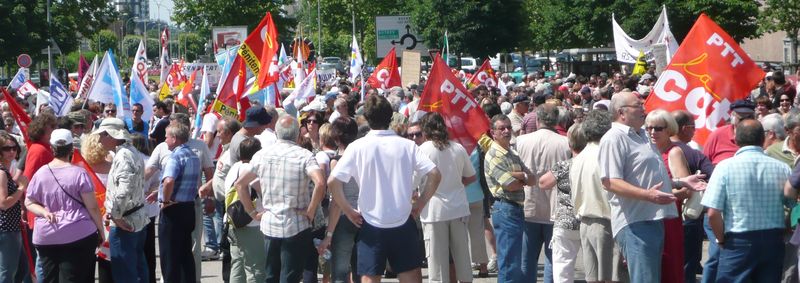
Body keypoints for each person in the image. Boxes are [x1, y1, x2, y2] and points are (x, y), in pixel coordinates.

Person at [327, 95, 442, 283]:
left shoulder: (357, 146)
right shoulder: (407, 146)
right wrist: (420, 204)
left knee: (370, 277)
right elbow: (435, 174)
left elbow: (333, 181)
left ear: (367, 118)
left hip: (370, 222)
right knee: (410, 275)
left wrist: (348, 211)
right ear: (390, 117)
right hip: (402, 220)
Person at [598, 91, 703, 282]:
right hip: (635, 222)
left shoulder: (642, 136)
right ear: (622, 113)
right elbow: (610, 181)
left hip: (653, 218)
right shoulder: (614, 138)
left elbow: (646, 177)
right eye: (638, 106)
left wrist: (681, 182)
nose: (643, 110)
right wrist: (648, 195)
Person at [233, 115, 326, 283]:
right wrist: (311, 211)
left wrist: (253, 212)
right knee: (290, 275)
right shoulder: (304, 155)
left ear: (276, 133)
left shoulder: (262, 155)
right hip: (296, 223)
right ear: (298, 134)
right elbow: (320, 182)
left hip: (270, 224)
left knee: (271, 275)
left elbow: (240, 184)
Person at [705, 120, 790, 282]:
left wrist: (721, 240)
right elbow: (792, 204)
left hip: (738, 240)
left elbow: (712, 213)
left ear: (736, 139)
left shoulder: (724, 167)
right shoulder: (782, 167)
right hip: (773, 239)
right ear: (762, 138)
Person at [25, 129, 104, 283]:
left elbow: (29, 201)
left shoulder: (41, 173)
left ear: (52, 148)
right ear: (71, 149)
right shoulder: (79, 173)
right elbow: (92, 207)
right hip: (78, 233)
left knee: (50, 278)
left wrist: (44, 212)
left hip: (47, 235)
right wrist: (101, 230)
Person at [416, 112, 476, 283]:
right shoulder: (458, 148)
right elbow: (471, 177)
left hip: (433, 211)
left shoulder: (422, 150)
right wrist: (456, 184)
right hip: (458, 208)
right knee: (463, 258)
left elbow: (413, 182)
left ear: (425, 130)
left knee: (437, 262)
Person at [516, 104, 571, 283]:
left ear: (538, 120)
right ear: (557, 121)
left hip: (528, 205)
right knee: (553, 260)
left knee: (527, 260)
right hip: (554, 208)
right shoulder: (565, 143)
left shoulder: (522, 141)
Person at [570, 110, 623, 283]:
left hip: (586, 222)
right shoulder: (606, 154)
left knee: (593, 278)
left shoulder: (579, 158)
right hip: (608, 223)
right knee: (613, 278)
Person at [484, 114, 536, 282]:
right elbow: (510, 184)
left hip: (514, 209)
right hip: (505, 208)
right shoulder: (494, 154)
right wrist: (522, 177)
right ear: (493, 133)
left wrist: (517, 175)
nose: (507, 131)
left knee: (514, 260)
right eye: (502, 128)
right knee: (509, 263)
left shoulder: (511, 153)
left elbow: (532, 178)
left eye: (508, 127)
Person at [97, 118, 150, 283]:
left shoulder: (123, 155)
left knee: (125, 272)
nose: (99, 140)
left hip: (126, 220)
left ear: (111, 135)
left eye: (102, 135)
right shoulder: (129, 151)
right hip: (135, 218)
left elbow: (124, 190)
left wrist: (116, 215)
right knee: (137, 268)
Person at [645, 110, 691, 283]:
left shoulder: (674, 152)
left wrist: (661, 195)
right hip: (648, 215)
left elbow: (686, 189)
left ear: (668, 129)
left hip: (668, 218)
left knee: (669, 266)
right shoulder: (647, 150)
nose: (652, 132)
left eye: (658, 128)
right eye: (648, 128)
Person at [537, 123, 584, 283]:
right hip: (588, 220)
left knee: (563, 269)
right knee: (594, 268)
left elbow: (543, 183)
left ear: (569, 142)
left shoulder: (564, 166)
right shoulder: (596, 164)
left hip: (566, 222)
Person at [317, 117, 361, 283]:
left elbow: (336, 200)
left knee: (340, 272)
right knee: (360, 270)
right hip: (365, 216)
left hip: (344, 218)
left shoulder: (337, 161)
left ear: (336, 138)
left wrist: (329, 234)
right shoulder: (363, 157)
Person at [158, 124, 201, 282]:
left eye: (167, 136)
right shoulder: (193, 155)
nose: (165, 139)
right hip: (188, 208)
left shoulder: (176, 156)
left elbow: (169, 180)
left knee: (170, 258)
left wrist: (165, 200)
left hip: (173, 210)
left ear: (174, 138)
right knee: (185, 255)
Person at [224, 137, 266, 283]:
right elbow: (263, 190)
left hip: (233, 222)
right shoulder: (251, 170)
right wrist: (254, 213)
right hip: (251, 225)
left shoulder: (234, 167)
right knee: (256, 268)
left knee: (238, 265)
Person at [0, 131, 23, 282]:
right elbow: (4, 203)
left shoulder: (6, 171)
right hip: (6, 229)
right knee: (7, 271)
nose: (12, 151)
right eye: (7, 149)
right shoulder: (2, 172)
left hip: (9, 227)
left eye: (14, 148)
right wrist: (21, 188)